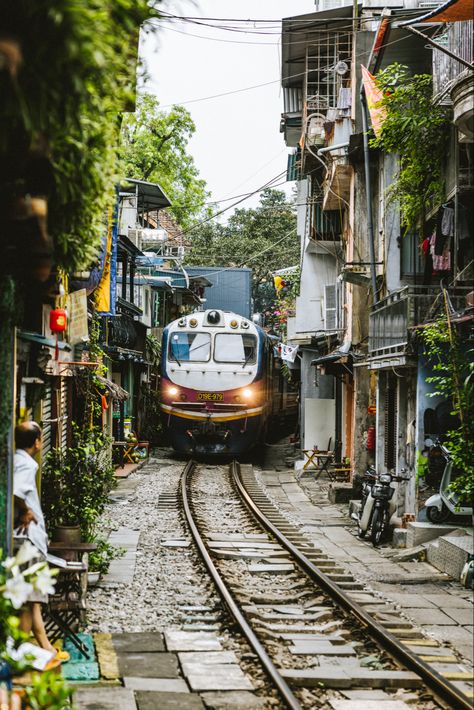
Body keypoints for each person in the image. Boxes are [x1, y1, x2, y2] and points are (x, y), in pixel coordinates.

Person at [13, 421, 69, 662]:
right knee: (29, 597)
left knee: (33, 598)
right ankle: (19, 654)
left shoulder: (12, 460)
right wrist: (25, 511)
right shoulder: (26, 464)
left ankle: (44, 647)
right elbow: (17, 491)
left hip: (22, 540)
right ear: (37, 442)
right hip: (28, 540)